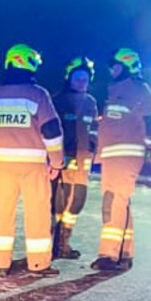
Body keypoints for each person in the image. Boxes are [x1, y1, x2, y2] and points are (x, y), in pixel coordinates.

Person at [0, 44, 63, 275]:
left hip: (2, 166)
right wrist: (57, 162)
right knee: (38, 214)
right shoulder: (38, 95)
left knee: (2, 213)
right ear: (28, 63)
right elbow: (51, 131)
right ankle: (39, 263)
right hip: (34, 168)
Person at [92, 48, 151, 272]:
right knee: (120, 202)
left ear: (127, 66)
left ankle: (109, 255)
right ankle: (124, 252)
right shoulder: (116, 90)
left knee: (113, 201)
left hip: (124, 156)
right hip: (114, 155)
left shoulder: (139, 90)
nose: (112, 69)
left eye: (116, 65)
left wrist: (148, 150)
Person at [51, 56, 99, 259]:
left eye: (85, 79)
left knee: (77, 202)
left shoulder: (90, 102)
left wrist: (92, 150)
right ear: (69, 79)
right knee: (57, 205)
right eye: (78, 78)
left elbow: (94, 131)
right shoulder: (58, 101)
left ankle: (64, 240)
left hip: (82, 164)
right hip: (62, 163)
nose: (81, 82)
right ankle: (54, 243)